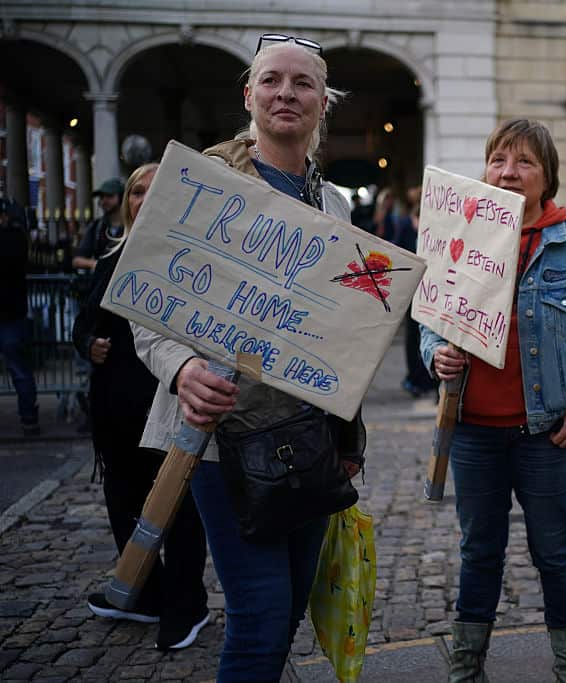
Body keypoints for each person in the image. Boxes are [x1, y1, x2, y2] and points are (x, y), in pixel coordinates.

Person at [131, 34, 366, 681]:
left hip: (308, 437)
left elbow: (344, 335)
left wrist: (349, 435)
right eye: (271, 80)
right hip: (219, 437)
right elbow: (146, 306)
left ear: (323, 103)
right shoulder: (203, 183)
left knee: (287, 609)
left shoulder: (336, 203)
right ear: (248, 94)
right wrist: (182, 369)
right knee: (260, 612)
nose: (285, 93)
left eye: (302, 83)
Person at [421, 119, 566, 682]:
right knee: (479, 553)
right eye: (499, 159)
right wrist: (436, 356)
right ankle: (466, 667)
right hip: (471, 428)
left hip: (547, 433)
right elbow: (430, 316)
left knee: (556, 553)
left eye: (525, 162)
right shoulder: (461, 235)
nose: (509, 172)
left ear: (546, 177)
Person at [72, 163, 210, 649]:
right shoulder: (112, 258)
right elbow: (83, 320)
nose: (143, 199)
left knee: (179, 508)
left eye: (155, 191)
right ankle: (145, 592)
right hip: (115, 411)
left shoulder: (189, 260)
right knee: (124, 502)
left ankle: (187, 602)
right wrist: (86, 342)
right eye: (136, 192)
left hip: (166, 404)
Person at [0, 196, 40, 436]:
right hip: (14, 314)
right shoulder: (17, 238)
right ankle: (29, 419)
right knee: (21, 371)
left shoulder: (13, 238)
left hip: (11, 315)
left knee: (20, 370)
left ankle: (29, 417)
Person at [396, 185, 436, 398]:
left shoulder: (434, 223)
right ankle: (417, 377)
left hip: (426, 287)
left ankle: (422, 377)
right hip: (413, 286)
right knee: (414, 335)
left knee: (419, 334)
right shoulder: (406, 223)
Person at [73, 177, 124, 273]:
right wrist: (94, 264)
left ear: (121, 198)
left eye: (109, 196)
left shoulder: (132, 225)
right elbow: (77, 260)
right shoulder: (96, 226)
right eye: (101, 197)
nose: (104, 201)